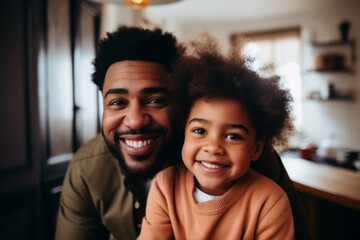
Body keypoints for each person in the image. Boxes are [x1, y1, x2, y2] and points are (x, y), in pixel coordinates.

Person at [55, 26, 308, 240]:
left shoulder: (255, 166)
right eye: (118, 102)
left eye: (154, 100)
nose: (135, 120)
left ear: (179, 107)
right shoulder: (86, 169)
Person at [137, 34, 295, 239]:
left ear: (256, 148)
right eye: (200, 131)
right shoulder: (166, 185)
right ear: (183, 132)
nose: (213, 147)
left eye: (233, 136)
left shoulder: (270, 201)